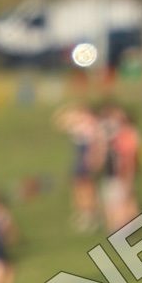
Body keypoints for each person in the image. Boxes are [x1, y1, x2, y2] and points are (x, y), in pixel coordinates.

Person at [51, 99, 103, 232]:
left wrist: (92, 159)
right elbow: (59, 122)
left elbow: (94, 143)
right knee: (78, 185)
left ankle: (90, 214)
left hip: (86, 156)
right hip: (80, 155)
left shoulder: (91, 124)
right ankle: (83, 211)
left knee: (85, 186)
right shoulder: (80, 123)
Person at [97, 103, 142, 232]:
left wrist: (128, 173)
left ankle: (122, 226)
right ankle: (121, 225)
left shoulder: (127, 134)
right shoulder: (115, 135)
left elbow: (129, 156)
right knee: (117, 197)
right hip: (113, 171)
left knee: (119, 198)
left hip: (121, 171)